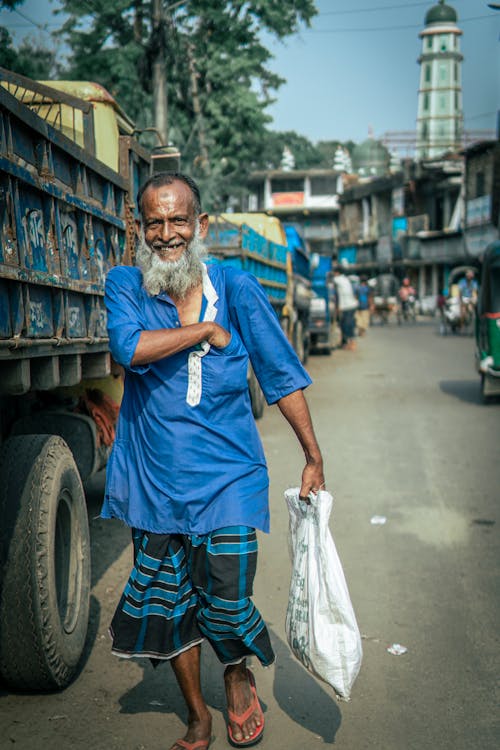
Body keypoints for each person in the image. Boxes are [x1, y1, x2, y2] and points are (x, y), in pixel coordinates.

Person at [102, 172, 325, 750]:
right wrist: (203, 329)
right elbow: (129, 348)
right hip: (154, 483)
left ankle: (235, 671)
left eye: (179, 221)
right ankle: (197, 716)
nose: (167, 234)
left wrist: (312, 455)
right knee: (170, 606)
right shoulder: (125, 285)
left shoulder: (238, 286)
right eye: (155, 222)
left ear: (201, 226)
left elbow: (280, 373)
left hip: (229, 478)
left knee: (226, 598)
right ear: (139, 228)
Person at [333, 266, 358, 350]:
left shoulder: (338, 280)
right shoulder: (346, 279)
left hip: (347, 306)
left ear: (337, 273)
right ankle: (347, 342)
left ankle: (352, 343)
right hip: (351, 305)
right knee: (346, 325)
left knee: (347, 325)